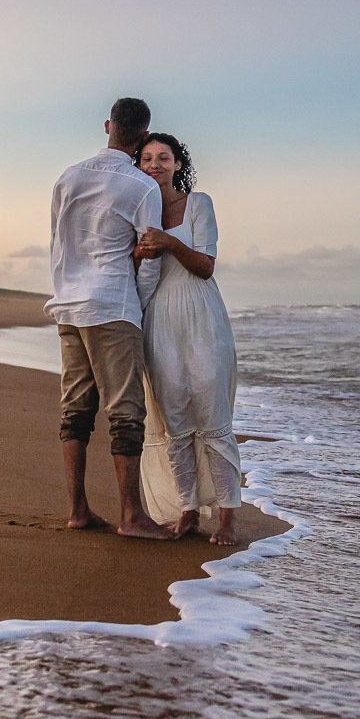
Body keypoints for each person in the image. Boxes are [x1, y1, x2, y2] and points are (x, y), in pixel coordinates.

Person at [45, 98, 173, 539]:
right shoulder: (142, 186)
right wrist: (138, 305)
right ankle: (131, 516)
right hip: (113, 305)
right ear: (141, 137)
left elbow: (58, 243)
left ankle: (78, 510)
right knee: (125, 412)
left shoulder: (69, 176)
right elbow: (151, 252)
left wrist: (65, 291)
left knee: (76, 409)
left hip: (69, 304)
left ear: (107, 127)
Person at [133, 133, 242, 545]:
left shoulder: (198, 203)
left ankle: (229, 516)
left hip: (201, 315)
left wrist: (170, 242)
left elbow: (206, 267)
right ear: (138, 166)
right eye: (146, 158)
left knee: (213, 416)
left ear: (178, 164)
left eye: (164, 157)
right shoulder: (136, 212)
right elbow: (131, 267)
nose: (155, 164)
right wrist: (140, 253)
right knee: (173, 418)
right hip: (157, 318)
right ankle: (188, 511)